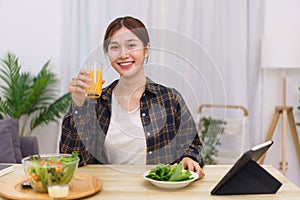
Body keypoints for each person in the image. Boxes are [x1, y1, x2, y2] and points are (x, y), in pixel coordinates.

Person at [60, 16, 205, 178]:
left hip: (157, 190)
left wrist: (189, 158)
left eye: (131, 45)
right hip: (107, 190)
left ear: (146, 50)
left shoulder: (170, 98)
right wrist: (79, 106)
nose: (123, 54)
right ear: (108, 54)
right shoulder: (96, 103)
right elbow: (71, 158)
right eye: (115, 47)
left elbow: (192, 146)